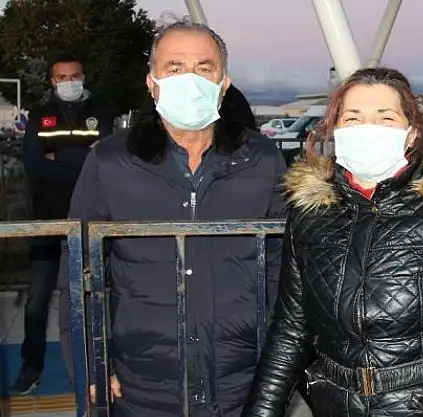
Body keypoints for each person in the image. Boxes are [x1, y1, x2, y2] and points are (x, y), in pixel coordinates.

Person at [242, 67, 423, 417]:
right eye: (352, 118)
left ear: (411, 132)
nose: (367, 128)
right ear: (335, 130)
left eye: (385, 117)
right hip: (338, 405)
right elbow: (290, 328)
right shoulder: (311, 213)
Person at [57, 20, 286, 416]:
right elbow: (79, 273)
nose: (189, 80)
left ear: (224, 84)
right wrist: (91, 364)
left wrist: (280, 365)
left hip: (242, 382)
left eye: (203, 68)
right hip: (142, 383)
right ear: (152, 83)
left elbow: (284, 269)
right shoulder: (110, 162)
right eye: (175, 68)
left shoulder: (262, 160)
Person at [12, 52, 113, 395]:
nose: (69, 82)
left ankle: (99, 366)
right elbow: (34, 165)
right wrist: (82, 157)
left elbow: (106, 161)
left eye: (75, 76)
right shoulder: (39, 114)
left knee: (93, 297)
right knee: (37, 299)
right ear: (52, 81)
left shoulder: (101, 112)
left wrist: (60, 156)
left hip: (89, 221)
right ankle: (31, 368)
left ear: (83, 76)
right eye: (62, 77)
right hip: (46, 220)